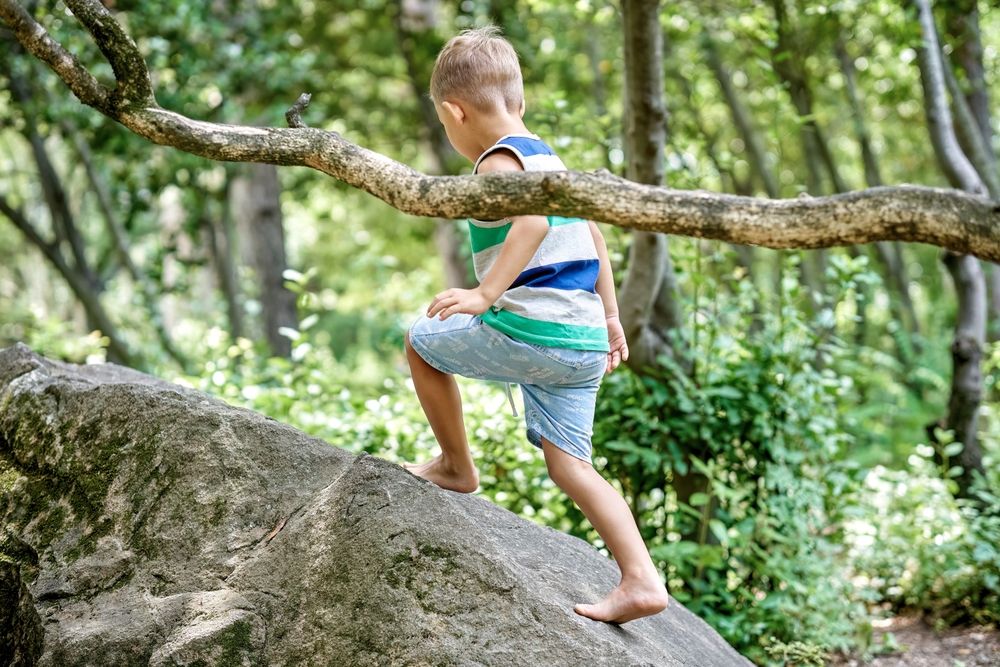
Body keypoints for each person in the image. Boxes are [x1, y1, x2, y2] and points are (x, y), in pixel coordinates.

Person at [401, 25, 669, 625]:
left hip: (536, 331)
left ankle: (455, 466)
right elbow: (593, 236)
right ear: (519, 102)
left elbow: (533, 227)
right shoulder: (549, 158)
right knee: (571, 465)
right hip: (581, 341)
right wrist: (611, 316)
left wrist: (483, 293)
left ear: (455, 111)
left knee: (421, 342)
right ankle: (641, 579)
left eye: (445, 127)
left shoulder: (498, 164)